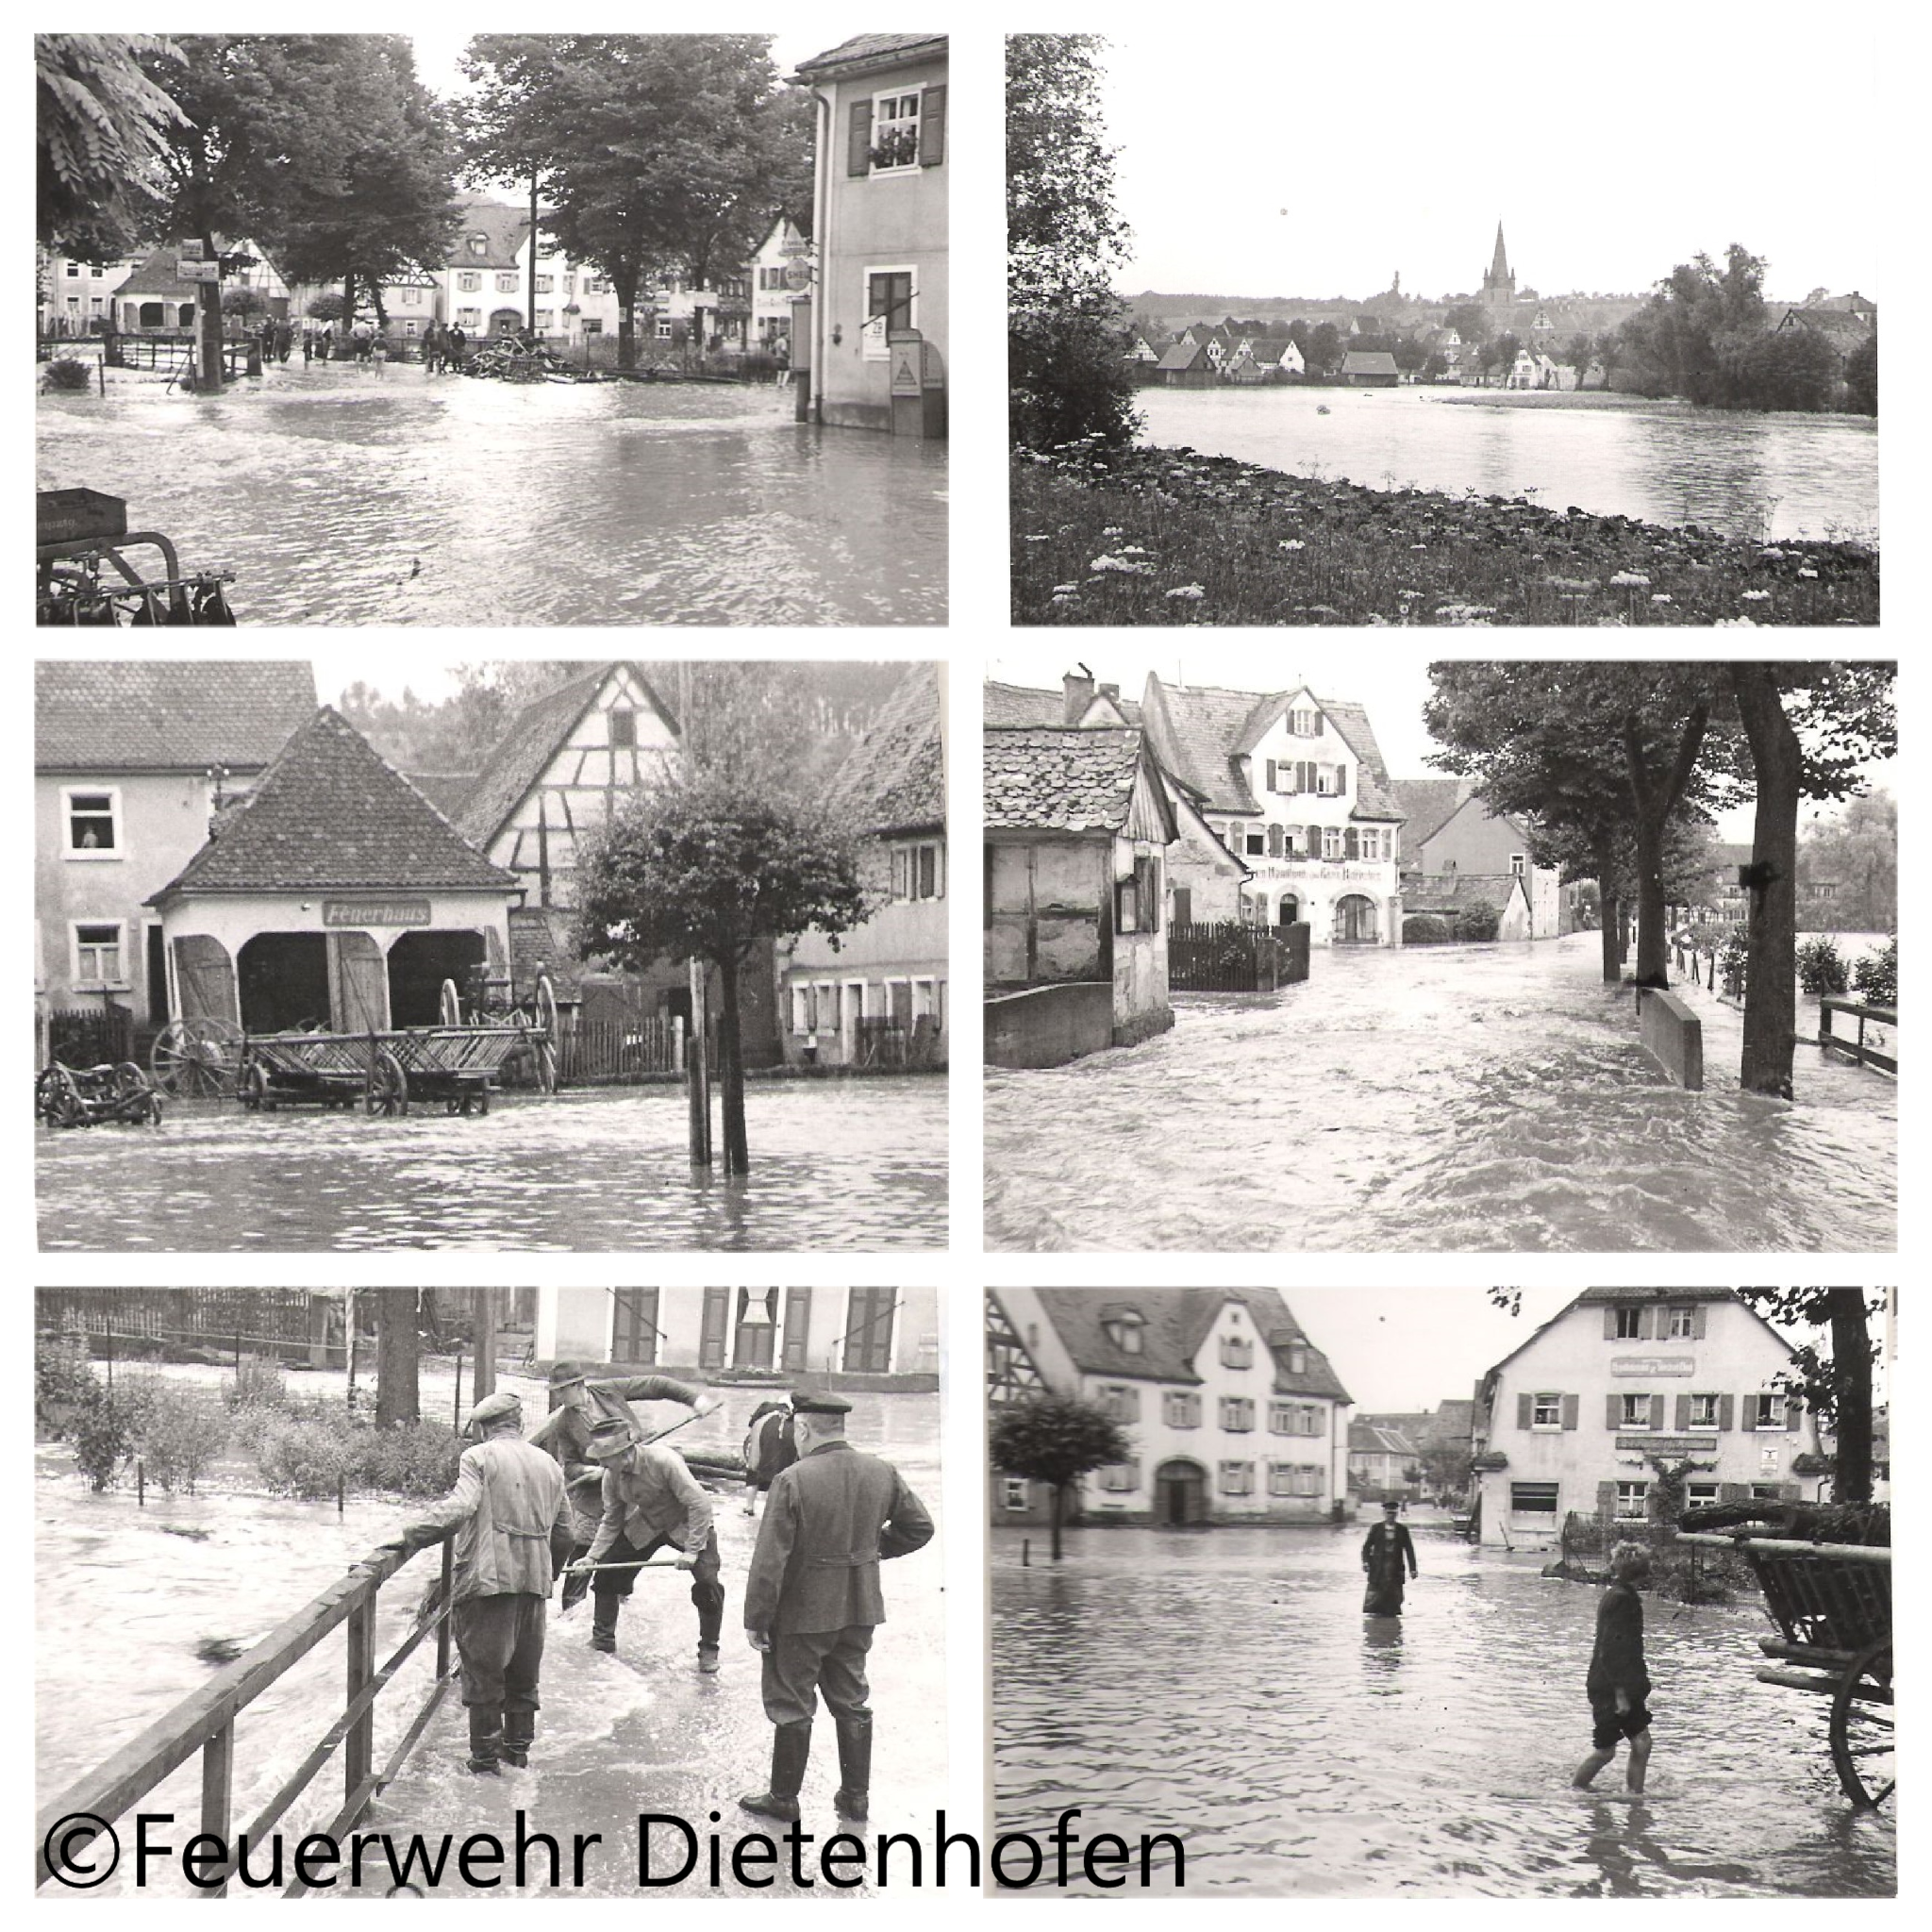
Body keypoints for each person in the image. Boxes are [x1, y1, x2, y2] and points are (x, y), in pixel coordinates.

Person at [740, 1392, 934, 1825]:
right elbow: (920, 1527)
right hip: (860, 1605)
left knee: (793, 1703)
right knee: (852, 1701)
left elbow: (770, 1560)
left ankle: (784, 1800)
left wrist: (756, 1619)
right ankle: (855, 1798)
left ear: (803, 1429)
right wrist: (869, 1552)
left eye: (795, 1431)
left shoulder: (792, 1479)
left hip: (803, 1613)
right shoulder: (881, 1470)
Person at [378, 1390, 573, 1776]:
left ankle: (484, 1766)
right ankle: (517, 1758)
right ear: (518, 1424)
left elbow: (459, 1509)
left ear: (484, 1428)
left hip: (487, 1583)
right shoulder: (549, 1463)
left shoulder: (478, 1457)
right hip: (533, 1585)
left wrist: (409, 1535)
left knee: (484, 1675)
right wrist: (548, 1573)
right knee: (523, 1677)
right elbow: (566, 1532)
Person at [530, 1360, 720, 1606]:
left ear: (579, 1386)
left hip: (635, 1483)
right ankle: (572, 1607)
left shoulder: (609, 1391)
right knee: (584, 1550)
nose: (559, 1396)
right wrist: (591, 1469)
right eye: (555, 1391)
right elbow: (569, 1466)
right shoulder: (563, 1423)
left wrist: (694, 1400)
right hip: (594, 1495)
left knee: (626, 1551)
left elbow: (656, 1384)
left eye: (562, 1390)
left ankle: (620, 1601)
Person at [575, 1413, 724, 1672]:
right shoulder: (611, 1476)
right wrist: (593, 1557)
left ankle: (708, 1649)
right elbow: (612, 1519)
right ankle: (602, 1641)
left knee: (708, 1585)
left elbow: (700, 1504)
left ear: (625, 1452)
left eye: (604, 1457)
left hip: (687, 1524)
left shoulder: (665, 1462)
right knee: (606, 1577)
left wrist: (692, 1550)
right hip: (648, 1524)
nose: (600, 1462)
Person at [1574, 1542, 1653, 1792]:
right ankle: (1576, 1790)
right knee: (1606, 1750)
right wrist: (1620, 1695)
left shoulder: (1621, 1595)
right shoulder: (1622, 1599)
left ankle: (1635, 1800)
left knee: (1641, 1743)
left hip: (1620, 1685)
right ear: (1643, 1570)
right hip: (1611, 1688)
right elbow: (1611, 1650)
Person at [1360, 1498, 1418, 1616]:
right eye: (1388, 1513)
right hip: (1378, 1567)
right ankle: (1376, 1624)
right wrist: (1365, 1562)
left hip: (1395, 1567)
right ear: (1384, 1513)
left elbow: (1409, 1550)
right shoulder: (1376, 1529)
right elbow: (1366, 1547)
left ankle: (1392, 1622)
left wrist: (1413, 1569)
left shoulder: (1402, 1530)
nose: (1391, 1516)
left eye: (1393, 1513)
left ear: (1396, 1514)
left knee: (1394, 1597)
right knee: (1375, 1598)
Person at [741, 1398, 797, 1516]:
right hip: (786, 1449)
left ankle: (749, 1506)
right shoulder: (793, 1418)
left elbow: (751, 1426)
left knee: (752, 1472)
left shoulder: (764, 1412)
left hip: (761, 1442)